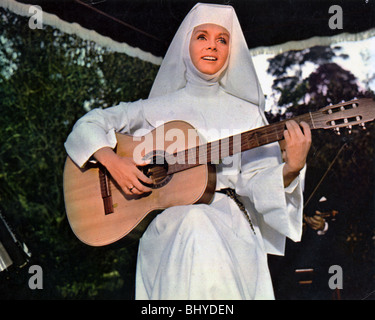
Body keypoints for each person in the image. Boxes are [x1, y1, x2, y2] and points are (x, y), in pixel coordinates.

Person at [64, 3, 311, 299]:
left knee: (201, 224)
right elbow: (88, 124)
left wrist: (290, 170)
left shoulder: (248, 115)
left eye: (223, 39)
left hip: (230, 227)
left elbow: (256, 182)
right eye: (202, 36)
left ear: (231, 51)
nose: (212, 46)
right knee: (192, 221)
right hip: (170, 227)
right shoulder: (154, 108)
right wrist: (111, 160)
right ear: (186, 44)